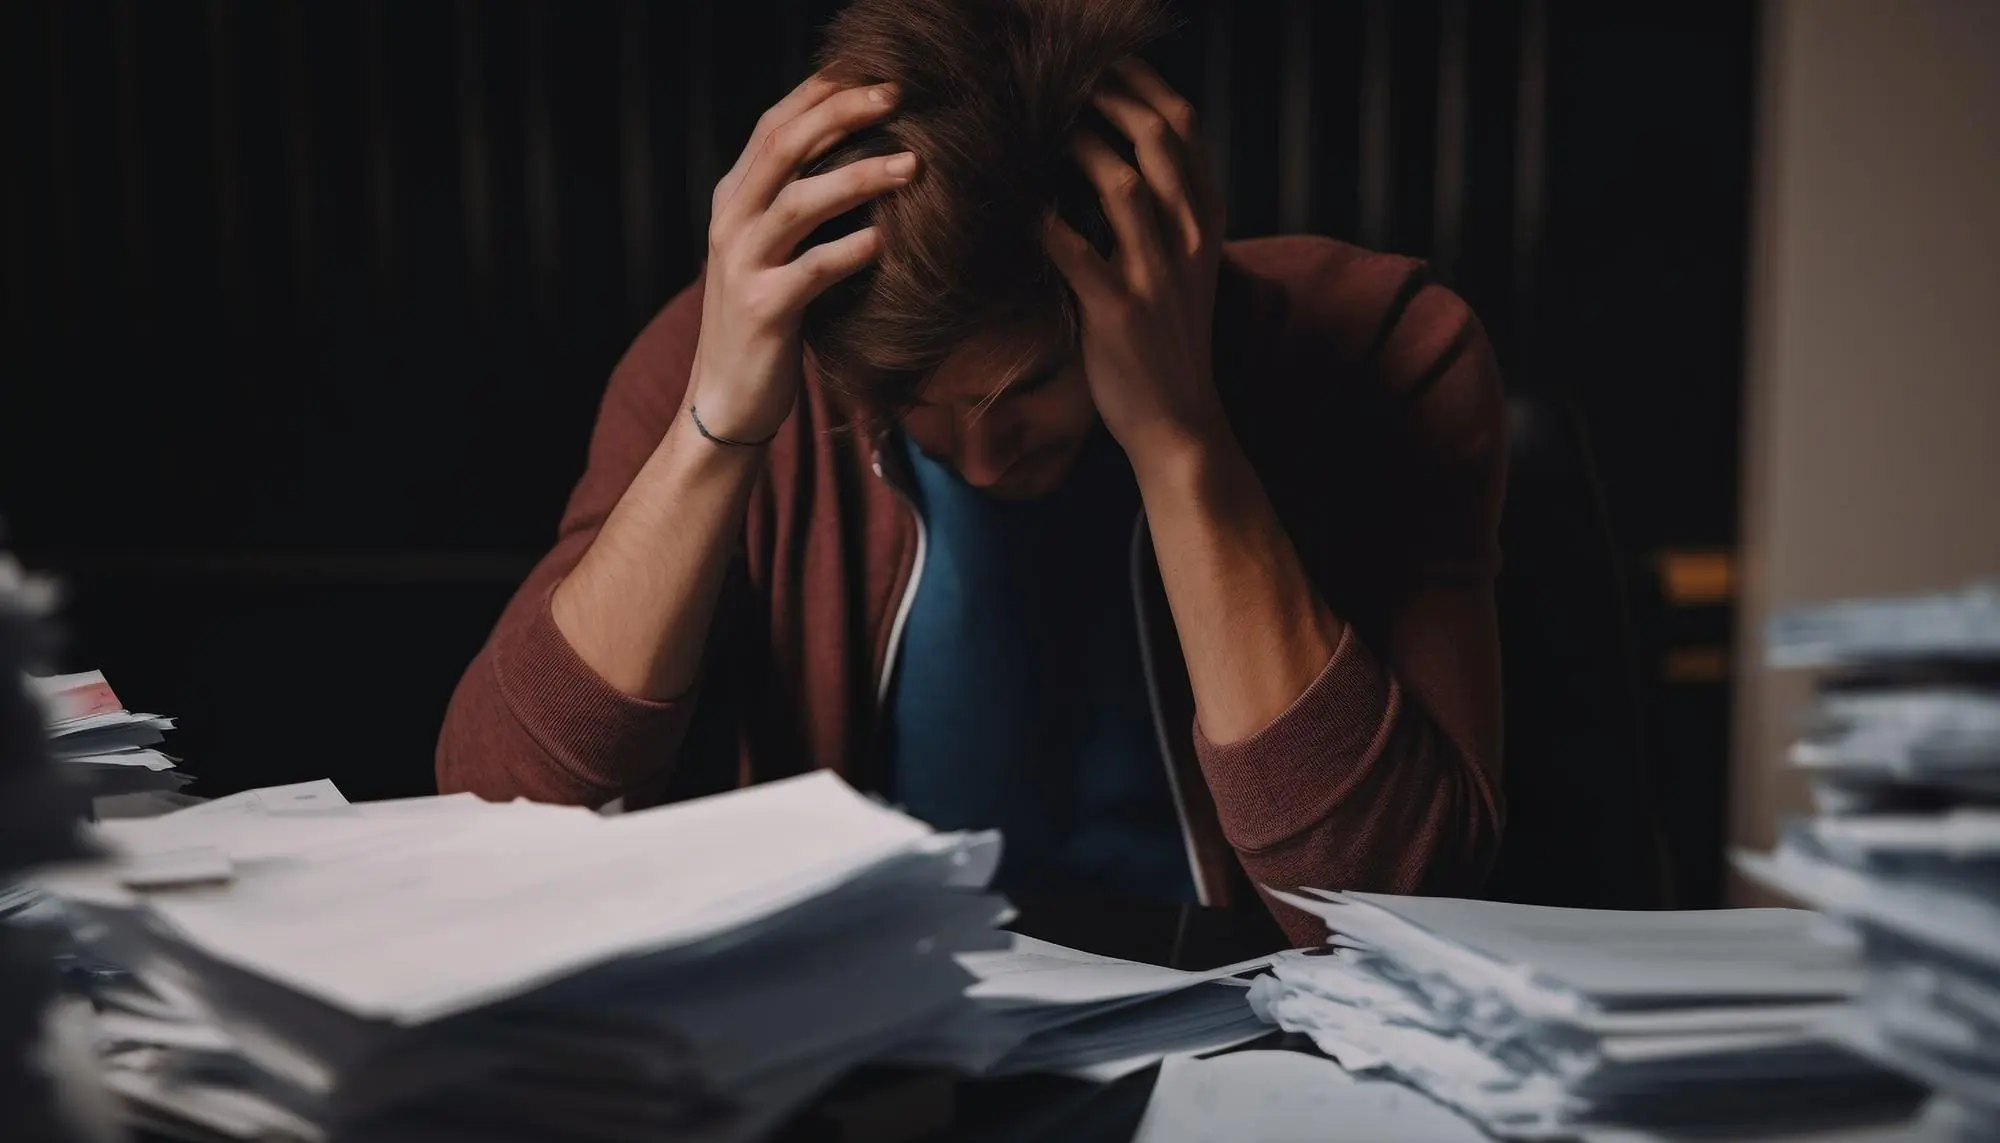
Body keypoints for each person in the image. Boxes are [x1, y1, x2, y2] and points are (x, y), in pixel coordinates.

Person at [436, 0, 1505, 946]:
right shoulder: (730, 357)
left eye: (1029, 387)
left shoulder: (1386, 350)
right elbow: (502, 814)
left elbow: (1398, 902)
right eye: (914, 409)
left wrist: (1180, 438)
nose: (982, 454)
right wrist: (715, 431)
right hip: (861, 1063)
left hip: (1252, 1064)